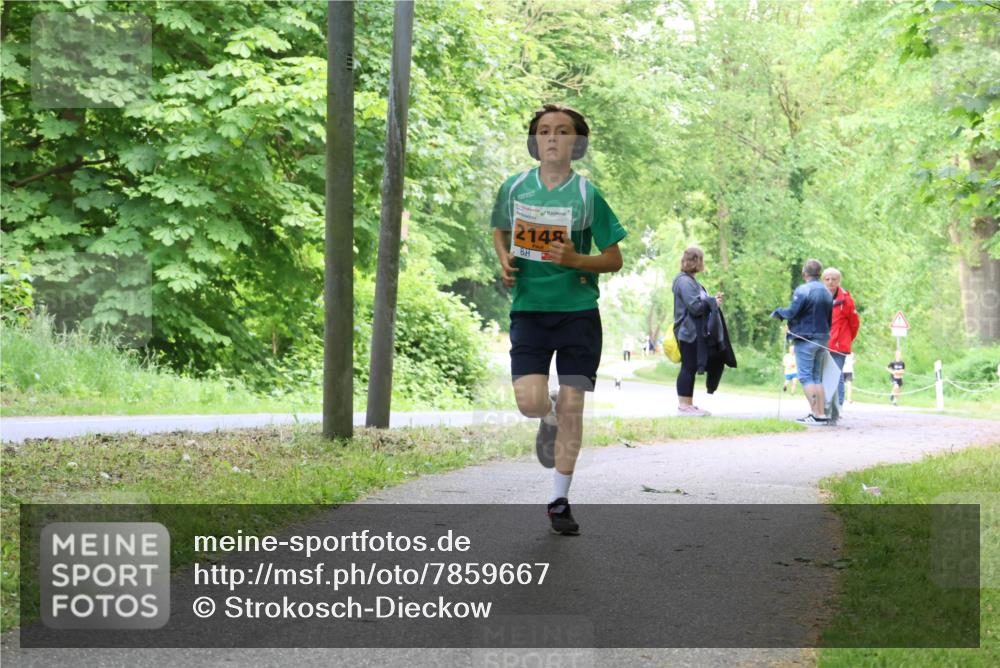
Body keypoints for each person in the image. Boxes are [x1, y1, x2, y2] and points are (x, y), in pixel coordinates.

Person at [491, 103, 626, 535]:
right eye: (545, 130)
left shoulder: (587, 195)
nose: (552, 136)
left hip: (578, 314)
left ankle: (559, 500)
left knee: (573, 404)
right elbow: (499, 229)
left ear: (577, 142)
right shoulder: (514, 188)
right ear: (535, 141)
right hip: (530, 310)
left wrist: (576, 259)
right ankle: (546, 416)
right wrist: (504, 259)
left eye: (563, 130)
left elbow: (614, 258)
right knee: (529, 402)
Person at [671, 246, 737, 416]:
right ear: (697, 261)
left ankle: (688, 405)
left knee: (691, 367)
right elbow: (695, 307)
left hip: (695, 332)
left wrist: (713, 301)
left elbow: (701, 303)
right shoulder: (684, 281)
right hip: (688, 332)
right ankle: (683, 406)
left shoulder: (691, 281)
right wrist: (711, 302)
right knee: (688, 367)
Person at [770, 259, 833, 425]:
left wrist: (779, 313)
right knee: (817, 377)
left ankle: (816, 415)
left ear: (804, 273)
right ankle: (821, 414)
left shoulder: (803, 290)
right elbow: (829, 318)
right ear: (820, 273)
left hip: (806, 338)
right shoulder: (827, 292)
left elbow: (792, 312)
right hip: (823, 337)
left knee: (806, 376)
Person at [822, 267, 860, 407]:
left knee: (836, 375)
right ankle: (822, 406)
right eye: (827, 279)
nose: (830, 282)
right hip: (821, 343)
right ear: (823, 280)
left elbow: (854, 323)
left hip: (839, 346)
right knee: (821, 375)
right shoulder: (817, 297)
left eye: (834, 279)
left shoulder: (846, 300)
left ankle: (837, 407)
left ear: (839, 281)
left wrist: (846, 339)